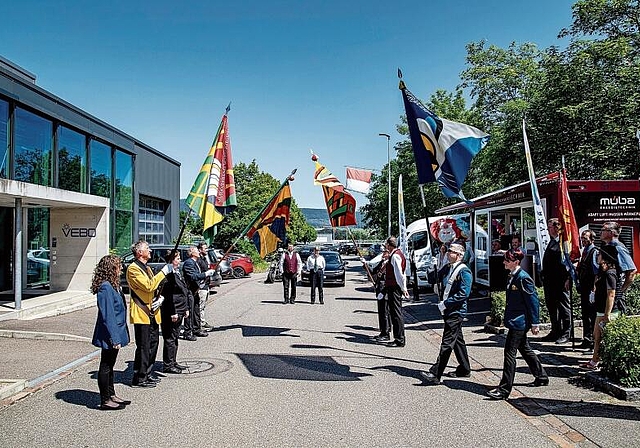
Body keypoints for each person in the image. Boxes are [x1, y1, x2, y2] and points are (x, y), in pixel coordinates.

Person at [486, 249, 548, 400]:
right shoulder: (513, 276)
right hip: (515, 320)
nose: (504, 262)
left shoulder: (523, 278)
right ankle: (541, 376)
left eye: (507, 260)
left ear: (516, 262)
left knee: (509, 354)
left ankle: (504, 389)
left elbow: (533, 302)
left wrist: (535, 323)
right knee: (525, 349)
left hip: (520, 322)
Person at [421, 243, 472, 384]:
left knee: (447, 342)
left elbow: (464, 293)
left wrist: (446, 303)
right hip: (448, 310)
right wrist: (433, 266)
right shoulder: (448, 267)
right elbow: (433, 279)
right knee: (458, 341)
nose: (448, 253)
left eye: (451, 251)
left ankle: (436, 373)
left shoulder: (464, 271)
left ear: (459, 255)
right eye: (448, 251)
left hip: (456, 311)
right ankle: (464, 369)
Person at [126, 240, 171, 388]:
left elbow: (154, 287)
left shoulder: (147, 268)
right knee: (143, 346)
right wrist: (163, 272)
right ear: (139, 252)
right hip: (141, 312)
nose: (150, 250)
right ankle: (139, 378)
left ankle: (147, 373)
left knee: (153, 343)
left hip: (152, 312)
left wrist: (160, 297)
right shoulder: (133, 269)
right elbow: (148, 285)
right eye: (147, 248)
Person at [91, 254, 131, 410]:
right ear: (110, 269)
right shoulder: (105, 287)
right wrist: (115, 338)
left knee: (111, 365)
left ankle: (111, 394)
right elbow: (108, 315)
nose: (121, 269)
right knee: (106, 365)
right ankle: (105, 399)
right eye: (118, 266)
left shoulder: (113, 285)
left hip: (115, 331)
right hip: (109, 333)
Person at [580, 245, 619, 370]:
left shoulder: (610, 273)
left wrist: (607, 314)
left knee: (601, 337)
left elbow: (611, 294)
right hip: (600, 309)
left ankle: (599, 362)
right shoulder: (603, 272)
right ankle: (594, 360)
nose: (597, 256)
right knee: (597, 336)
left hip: (607, 311)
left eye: (600, 254)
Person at [540, 218, 571, 344]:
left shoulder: (563, 243)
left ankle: (566, 332)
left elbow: (568, 263)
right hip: (550, 282)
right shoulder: (552, 242)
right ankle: (555, 330)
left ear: (557, 228)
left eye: (550, 227)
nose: (548, 229)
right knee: (552, 307)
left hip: (560, 281)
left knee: (564, 308)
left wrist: (568, 278)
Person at [160, 250, 190, 374]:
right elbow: (167, 295)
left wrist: (186, 309)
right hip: (172, 310)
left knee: (175, 337)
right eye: (177, 259)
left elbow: (183, 291)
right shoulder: (168, 275)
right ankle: (168, 364)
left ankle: (173, 361)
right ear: (171, 260)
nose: (179, 261)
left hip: (180, 309)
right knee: (170, 338)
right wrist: (173, 312)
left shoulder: (177, 273)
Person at [600, 221, 637, 314]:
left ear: (611, 233)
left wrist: (620, 291)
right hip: (607, 294)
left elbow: (632, 271)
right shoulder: (607, 246)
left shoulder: (618, 247)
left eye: (603, 230)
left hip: (615, 297)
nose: (600, 232)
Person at [183, 246, 215, 339]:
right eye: (196, 250)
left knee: (196, 310)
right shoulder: (189, 263)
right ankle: (187, 332)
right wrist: (206, 274)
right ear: (192, 253)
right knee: (189, 311)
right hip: (190, 290)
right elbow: (192, 276)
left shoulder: (195, 262)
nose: (198, 252)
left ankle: (196, 329)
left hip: (196, 289)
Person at [384, 236, 409, 347]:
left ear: (389, 245)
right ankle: (398, 337)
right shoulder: (396, 254)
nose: (385, 246)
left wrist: (403, 289)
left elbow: (400, 274)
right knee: (394, 313)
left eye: (386, 244)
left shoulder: (395, 256)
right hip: (394, 286)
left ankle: (399, 339)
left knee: (396, 314)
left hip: (394, 287)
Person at [577, 230, 599, 349]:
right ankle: (586, 338)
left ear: (592, 239)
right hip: (584, 287)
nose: (583, 240)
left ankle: (592, 340)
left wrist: (594, 289)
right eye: (582, 238)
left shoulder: (594, 252)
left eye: (585, 238)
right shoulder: (584, 251)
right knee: (585, 314)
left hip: (591, 288)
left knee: (592, 315)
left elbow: (596, 272)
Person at [372, 249, 391, 342]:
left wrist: (383, 292)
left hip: (384, 290)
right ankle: (383, 331)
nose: (383, 254)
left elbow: (388, 279)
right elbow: (373, 271)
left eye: (385, 252)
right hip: (379, 288)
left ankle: (386, 333)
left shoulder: (389, 264)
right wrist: (364, 264)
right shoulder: (382, 262)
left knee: (385, 313)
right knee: (381, 312)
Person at [197, 241, 214, 330]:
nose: (207, 250)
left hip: (206, 285)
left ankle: (202, 321)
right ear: (200, 250)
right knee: (200, 305)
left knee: (203, 305)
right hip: (201, 286)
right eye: (205, 248)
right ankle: (199, 323)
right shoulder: (198, 260)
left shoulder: (204, 259)